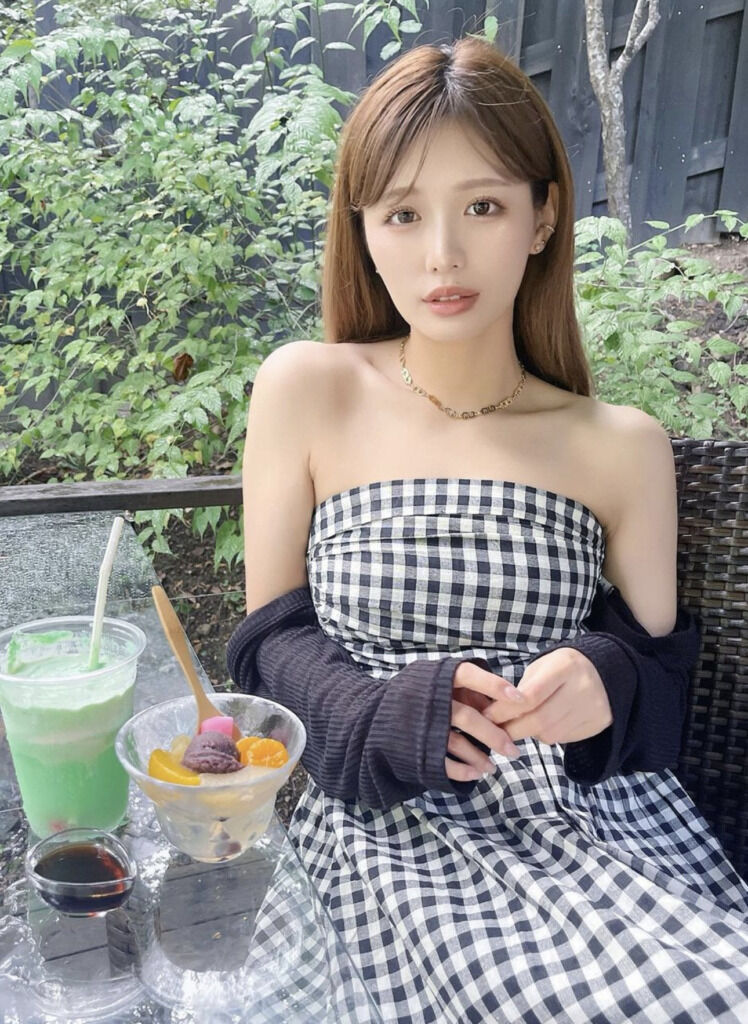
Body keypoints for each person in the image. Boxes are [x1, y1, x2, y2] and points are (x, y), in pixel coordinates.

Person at [227, 37, 748, 1023]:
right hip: (387, 827)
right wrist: (377, 718)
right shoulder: (308, 389)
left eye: (482, 207)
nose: (442, 255)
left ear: (543, 216)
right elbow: (267, 644)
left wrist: (604, 680)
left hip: (592, 832)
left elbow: (662, 688)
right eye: (403, 214)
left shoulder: (619, 444)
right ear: (362, 228)